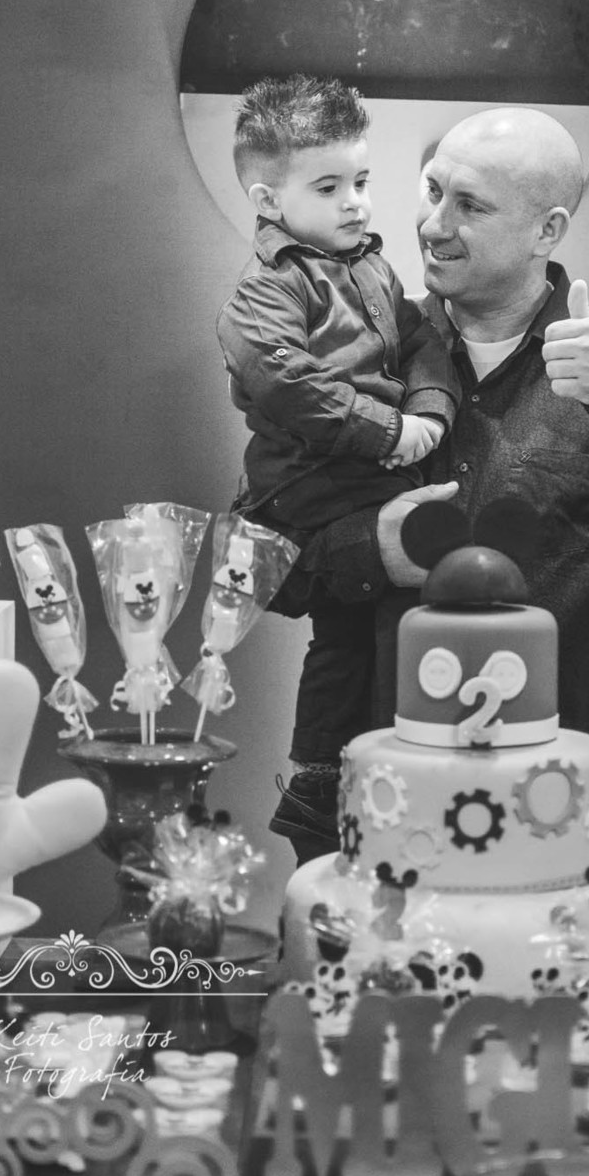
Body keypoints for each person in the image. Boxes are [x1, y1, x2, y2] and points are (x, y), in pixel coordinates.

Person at [268, 104, 589, 866]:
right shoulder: (351, 362)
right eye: (433, 192)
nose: (433, 225)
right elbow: (257, 562)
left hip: (553, 797)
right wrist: (371, 550)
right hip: (365, 786)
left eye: (471, 206)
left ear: (546, 231)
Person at [217, 76, 459, 855]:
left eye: (360, 181)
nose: (355, 203)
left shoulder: (370, 266)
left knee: (380, 624)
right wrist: (388, 432)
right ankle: (321, 781)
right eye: (328, 188)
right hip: (306, 490)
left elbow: (419, 338)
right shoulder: (266, 291)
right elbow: (286, 382)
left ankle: (392, 782)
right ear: (268, 200)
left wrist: (430, 413)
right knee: (346, 631)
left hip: (372, 474)